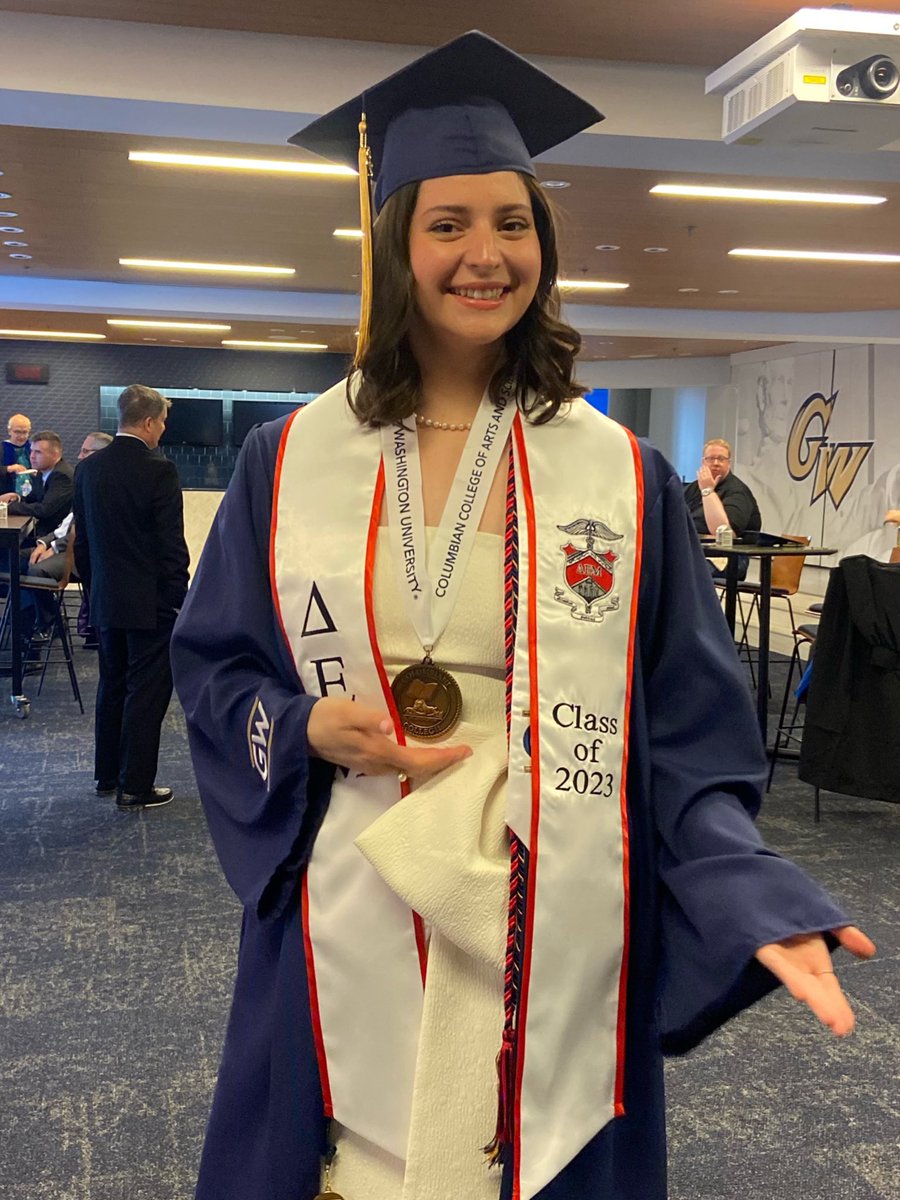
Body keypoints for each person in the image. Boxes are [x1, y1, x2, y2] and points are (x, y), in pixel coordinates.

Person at [170, 32, 875, 1200]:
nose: (485, 254)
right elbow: (215, 672)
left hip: (548, 877)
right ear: (395, 242)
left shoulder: (619, 472)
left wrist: (748, 891)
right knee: (348, 1157)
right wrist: (300, 728)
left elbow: (688, 736)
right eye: (448, 224)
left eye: (514, 222)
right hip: (353, 871)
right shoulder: (285, 458)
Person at [74, 387, 189, 811]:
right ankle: (136, 786)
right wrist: (179, 598)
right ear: (148, 422)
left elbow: (81, 544)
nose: (161, 430)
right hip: (151, 603)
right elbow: (170, 546)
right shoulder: (159, 470)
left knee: (112, 686)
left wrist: (94, 589)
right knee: (146, 693)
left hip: (106, 598)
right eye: (161, 423)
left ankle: (107, 775)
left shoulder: (89, 470)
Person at [21, 432, 113, 638]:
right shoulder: (86, 478)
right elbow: (66, 524)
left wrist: (53, 548)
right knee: (15, 560)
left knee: (33, 569)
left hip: (80, 556)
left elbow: (77, 530)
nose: (79, 456)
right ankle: (29, 623)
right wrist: (44, 543)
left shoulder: (98, 484)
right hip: (61, 543)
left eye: (85, 451)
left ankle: (45, 625)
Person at [0, 430, 74, 543]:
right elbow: (33, 499)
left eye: (38, 452)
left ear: (56, 454)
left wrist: (7, 508)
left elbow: (44, 509)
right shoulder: (42, 471)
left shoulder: (61, 476)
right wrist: (16, 497)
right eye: (31, 451)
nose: (32, 457)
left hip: (53, 538)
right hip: (42, 532)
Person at [683, 437, 761, 539]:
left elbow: (724, 535)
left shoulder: (738, 491)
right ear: (703, 462)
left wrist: (708, 491)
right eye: (710, 459)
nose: (716, 463)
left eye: (721, 459)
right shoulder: (692, 488)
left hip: (726, 553)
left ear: (729, 463)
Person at [3, 413, 32, 478]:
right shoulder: (2, 448)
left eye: (24, 432)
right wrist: (8, 469)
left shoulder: (33, 448)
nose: (21, 436)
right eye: (17, 432)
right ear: (9, 431)